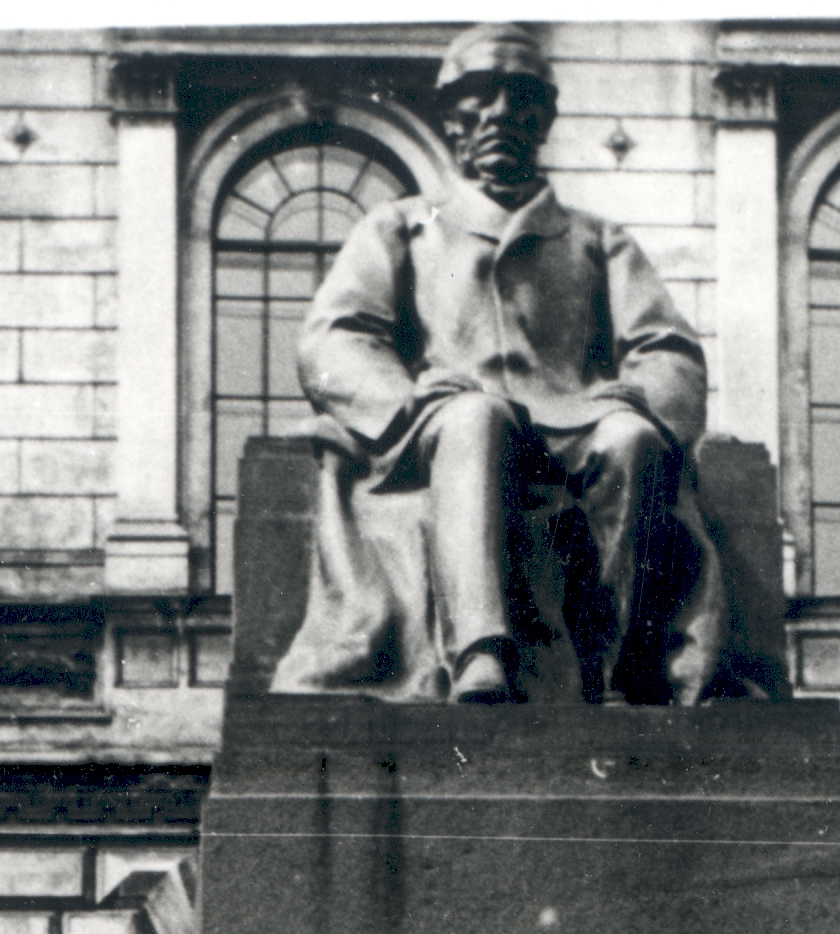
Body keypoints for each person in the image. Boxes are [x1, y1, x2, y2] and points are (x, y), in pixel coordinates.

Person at [276, 22, 751, 708]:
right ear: (452, 117)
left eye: (521, 99)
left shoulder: (597, 240)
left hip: (573, 424)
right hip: (445, 423)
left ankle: (608, 669)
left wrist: (637, 399)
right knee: (475, 418)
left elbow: (668, 349)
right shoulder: (400, 227)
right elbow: (335, 337)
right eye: (480, 97)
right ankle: (480, 654)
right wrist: (405, 398)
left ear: (545, 120)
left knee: (634, 441)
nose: (500, 115)